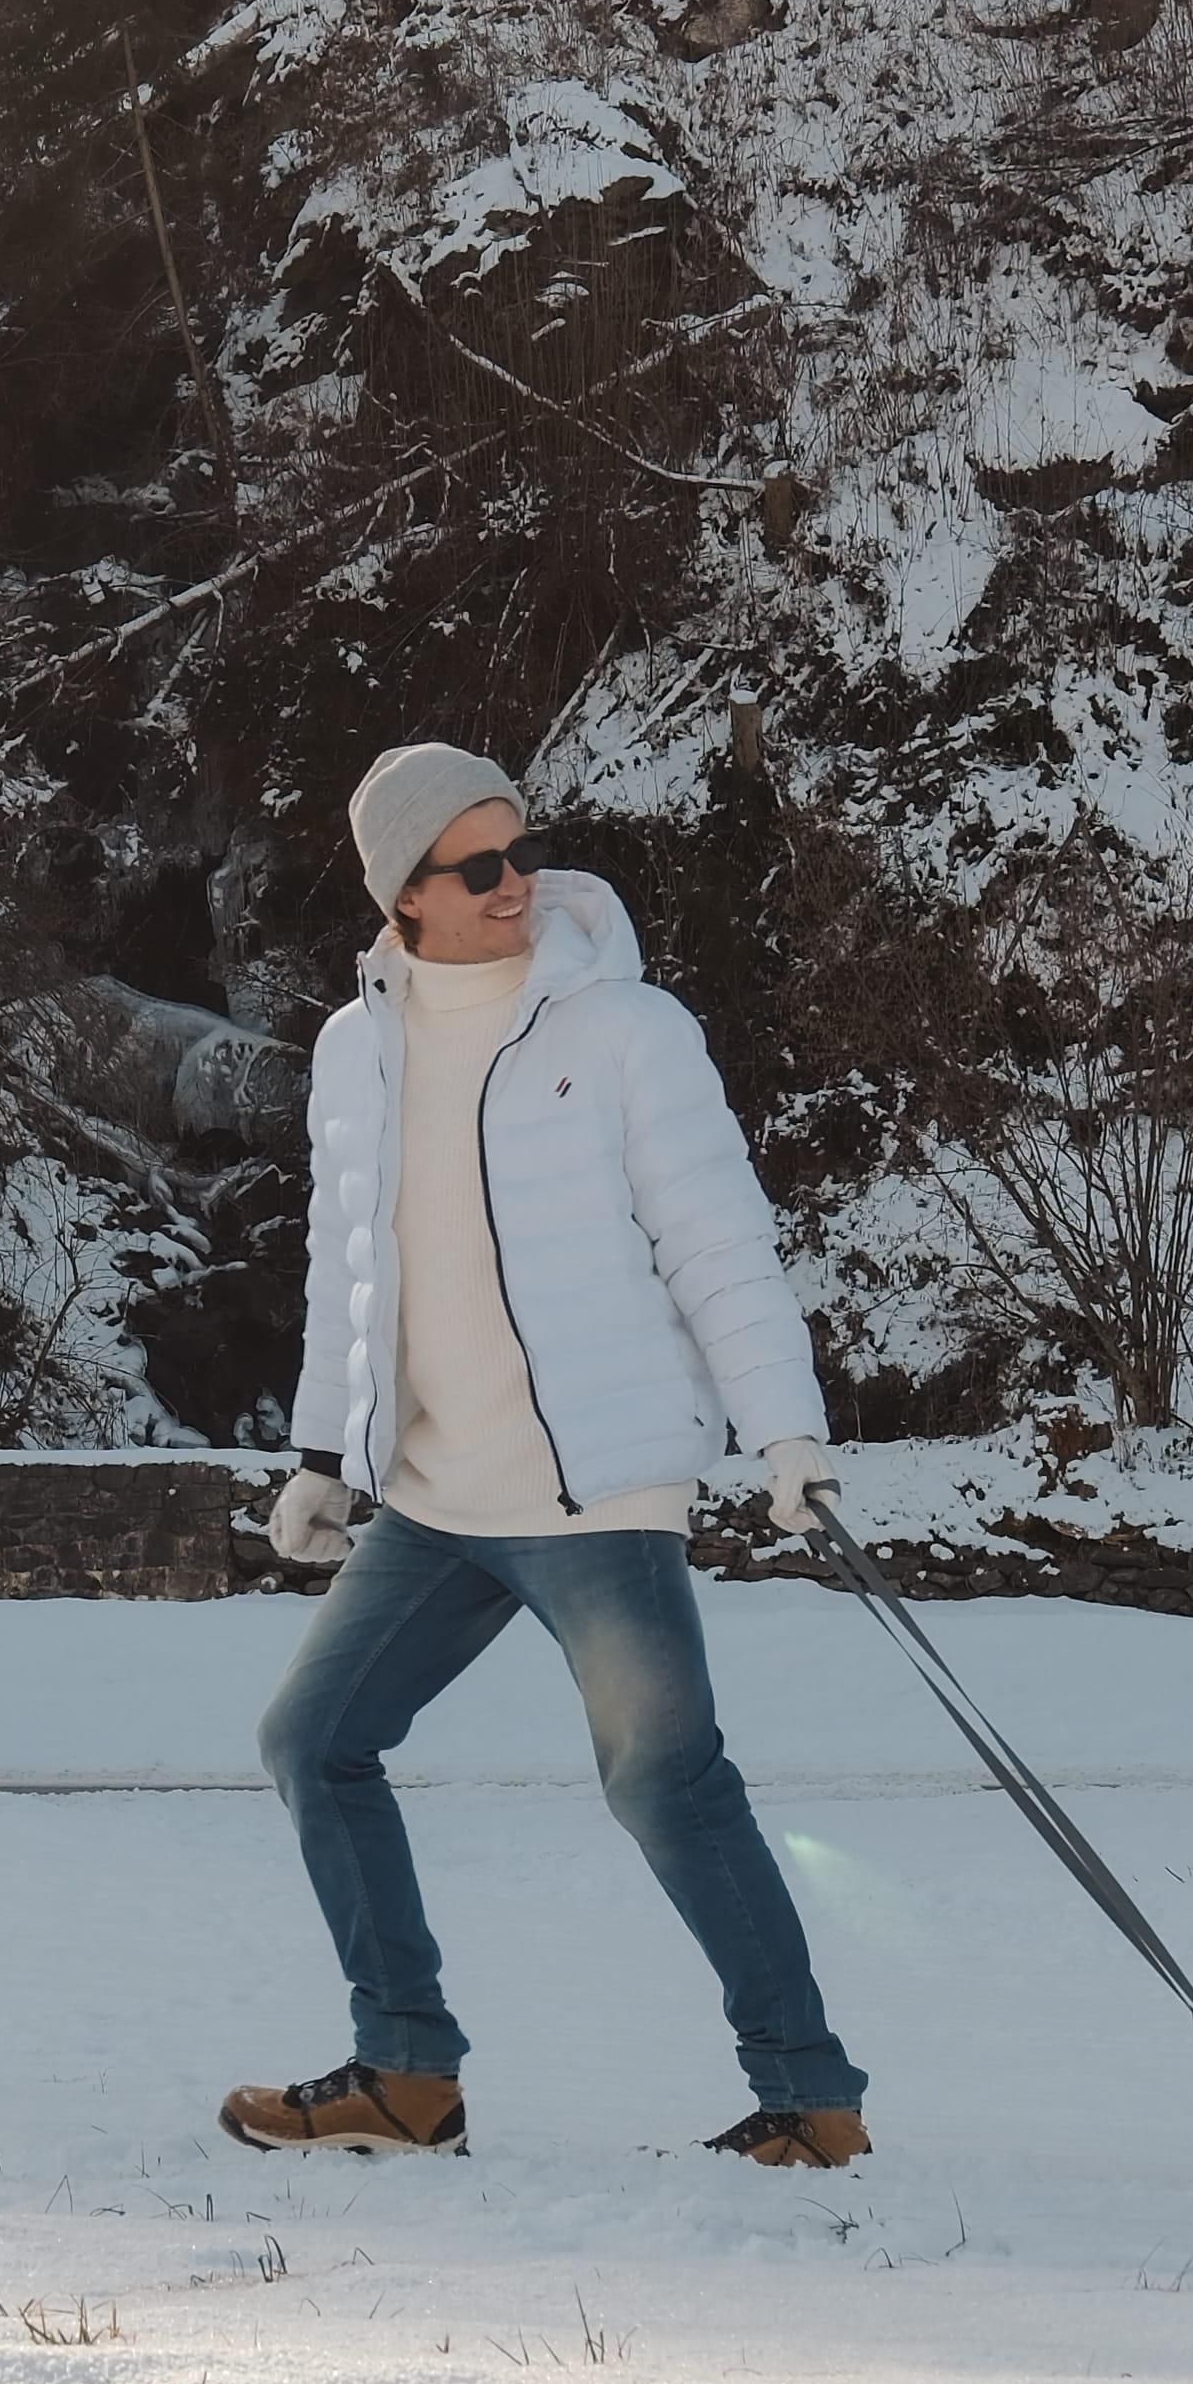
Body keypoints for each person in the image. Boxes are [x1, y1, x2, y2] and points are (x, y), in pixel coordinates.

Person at [229, 745, 867, 2170]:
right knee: (312, 1743)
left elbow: (717, 1240)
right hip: (438, 1499)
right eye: (476, 866)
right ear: (407, 895)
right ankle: (405, 2071)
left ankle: (810, 2095)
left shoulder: (625, 1029)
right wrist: (326, 1449)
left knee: (664, 1780)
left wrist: (788, 1427)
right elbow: (352, 1270)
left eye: (520, 851)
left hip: (598, 1493)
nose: (515, 883)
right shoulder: (358, 1048)